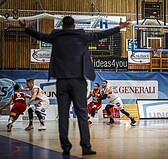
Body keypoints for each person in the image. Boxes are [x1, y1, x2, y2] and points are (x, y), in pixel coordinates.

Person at [19, 16, 130, 156]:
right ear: (73, 25)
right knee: (82, 114)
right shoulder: (81, 35)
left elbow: (40, 36)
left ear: (63, 25)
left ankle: (66, 147)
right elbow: (100, 34)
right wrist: (119, 28)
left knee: (63, 115)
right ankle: (86, 147)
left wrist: (25, 29)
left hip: (62, 81)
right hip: (78, 81)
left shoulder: (55, 36)